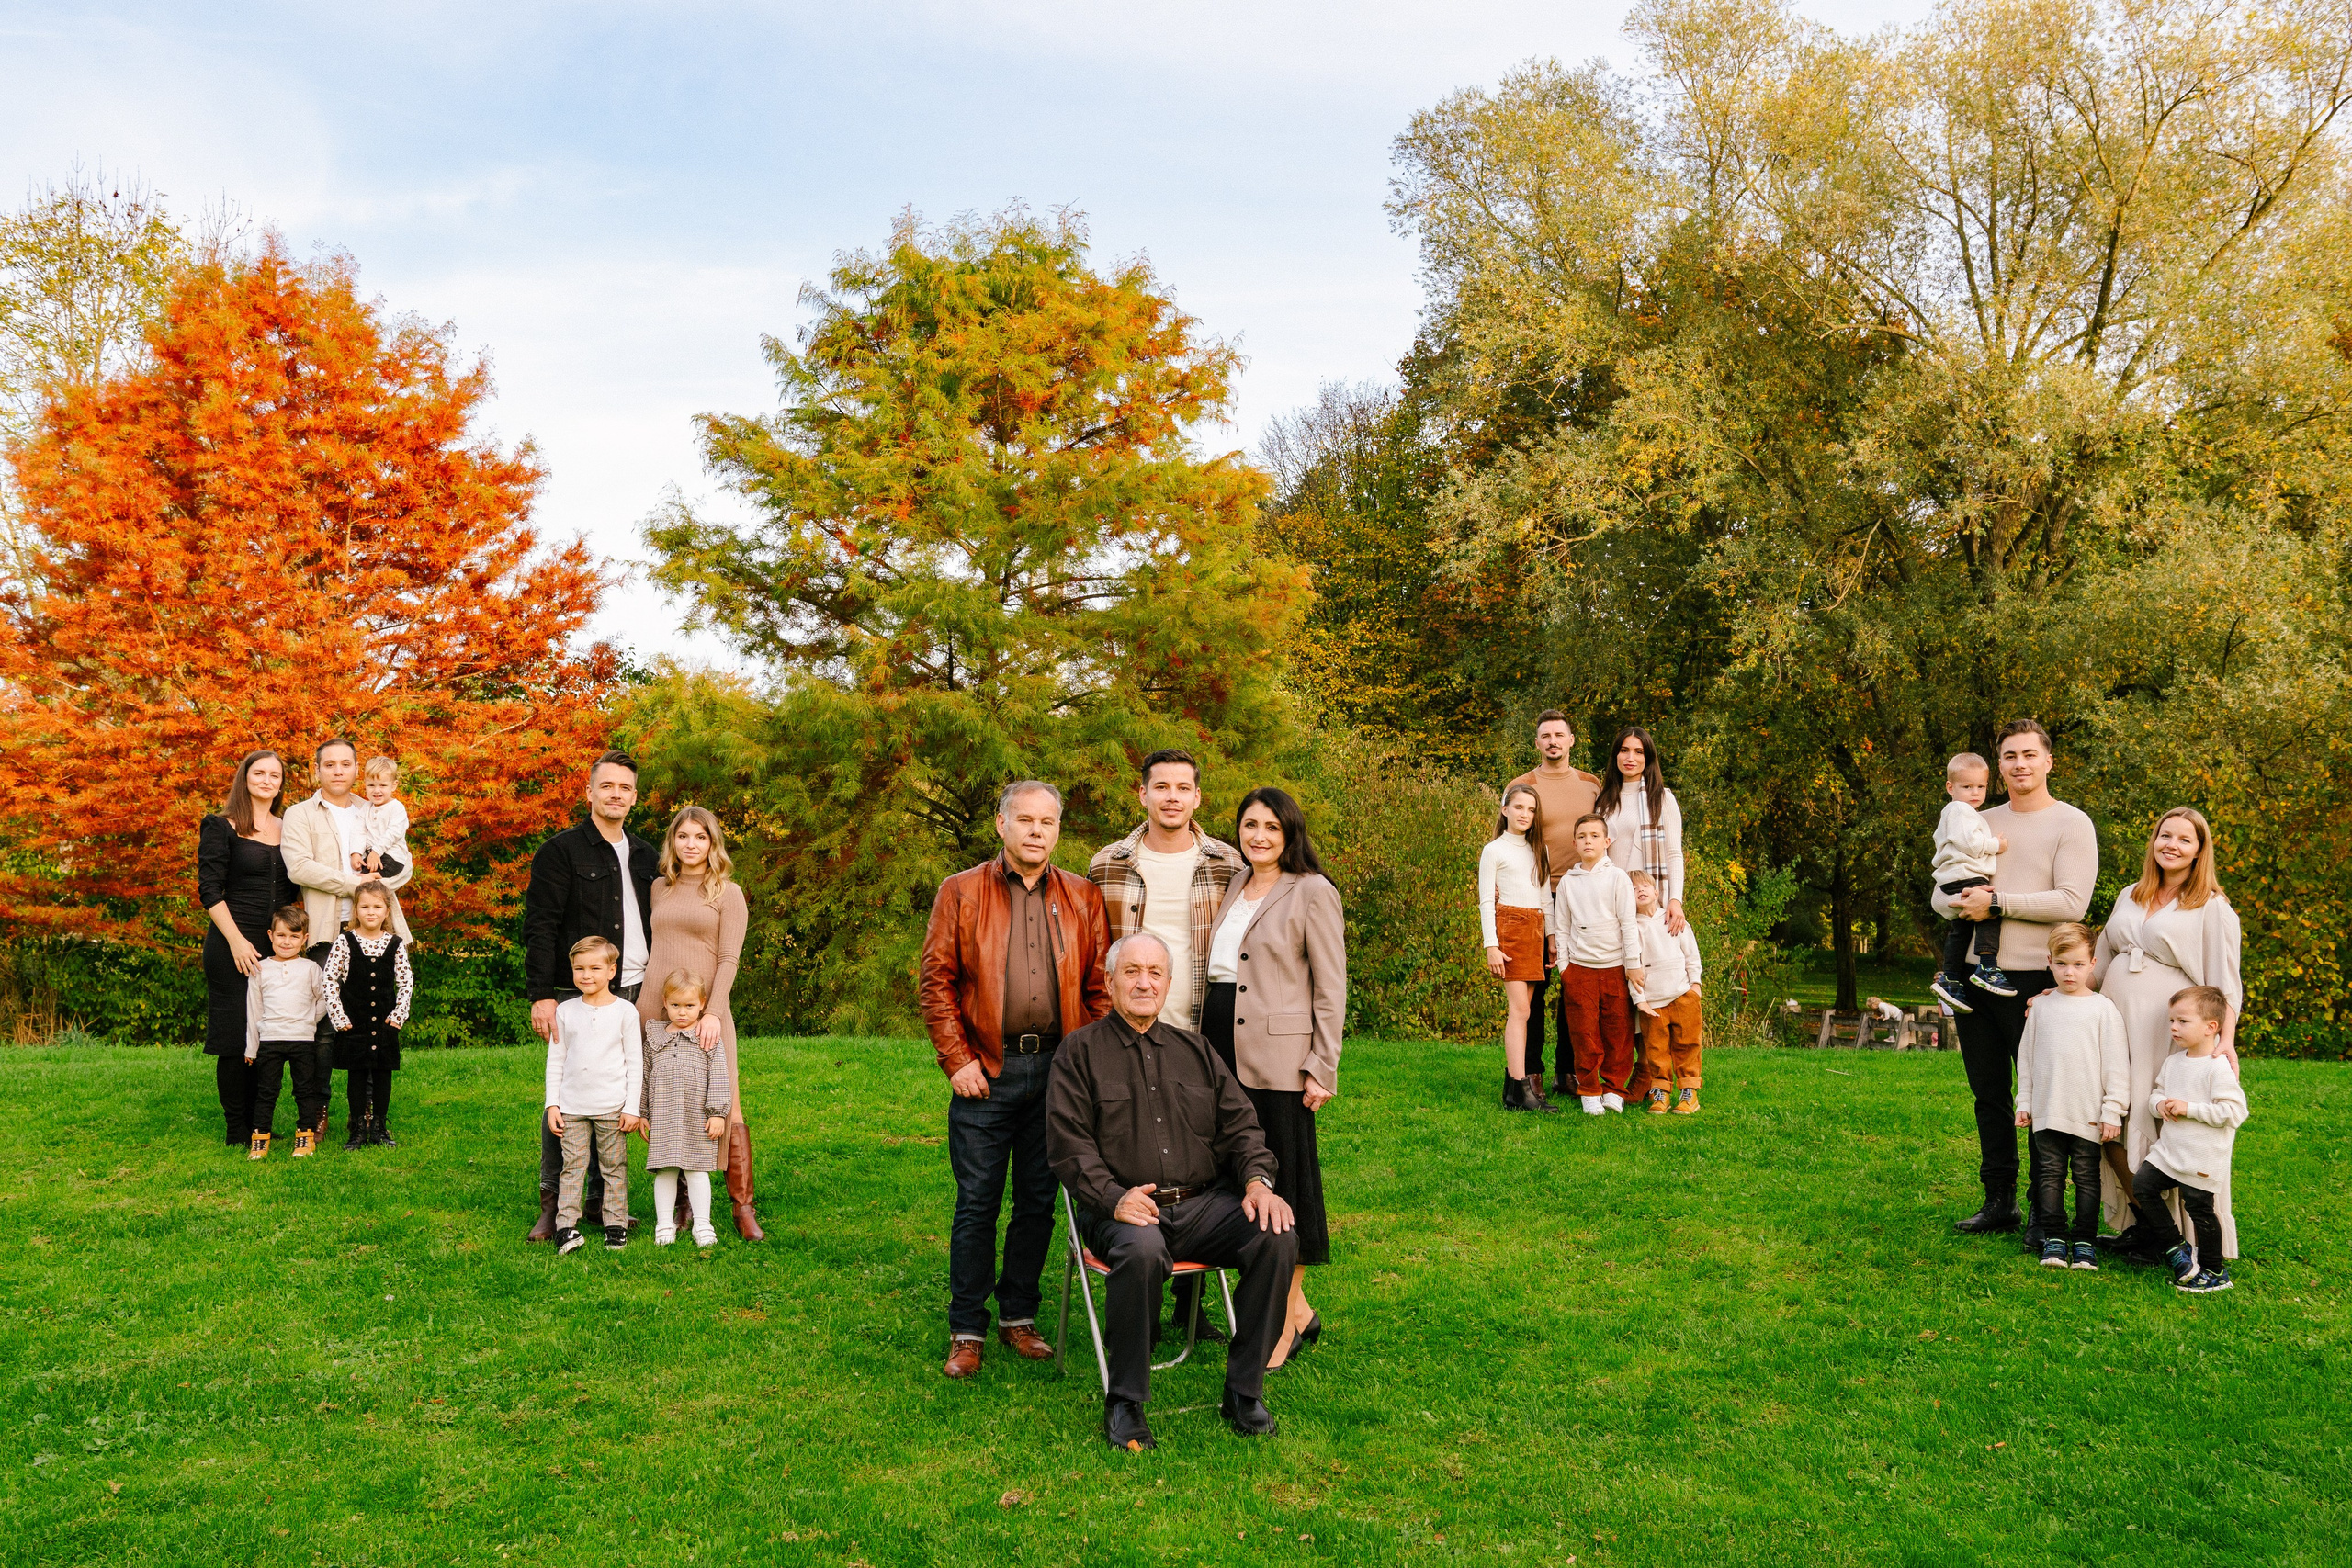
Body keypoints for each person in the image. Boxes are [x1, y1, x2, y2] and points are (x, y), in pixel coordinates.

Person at [1046, 932, 1298, 1451]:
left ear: (1168, 983)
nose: (1144, 983)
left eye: (1155, 973)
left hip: (1204, 1204)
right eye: (1132, 972)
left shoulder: (1196, 1050)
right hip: (1119, 1208)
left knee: (1276, 1236)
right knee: (1140, 1250)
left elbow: (1242, 1128)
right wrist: (1114, 1196)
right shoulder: (1080, 1053)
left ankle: (1243, 1391)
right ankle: (1126, 1402)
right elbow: (1070, 1147)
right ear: (1110, 981)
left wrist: (1257, 1181)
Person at [920, 780, 1112, 1380]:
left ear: (1058, 829)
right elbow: (937, 983)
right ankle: (968, 1327)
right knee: (977, 1203)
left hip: (1058, 1070)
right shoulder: (962, 891)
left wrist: (1087, 1070)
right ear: (1000, 825)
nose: (1035, 830)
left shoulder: (1082, 895)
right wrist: (958, 1060)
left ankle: (1018, 1317)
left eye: (1046, 821)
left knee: (1038, 1201)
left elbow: (1100, 988)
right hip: (987, 1070)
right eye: (1024, 819)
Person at [1934, 720, 2098, 1243]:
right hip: (1978, 981)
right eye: (2009, 756)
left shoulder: (2072, 824)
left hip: (2037, 982)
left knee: (2042, 1097)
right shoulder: (1976, 820)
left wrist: (1998, 902)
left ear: (2049, 762)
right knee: (1989, 1094)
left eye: (2029, 754)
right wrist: (1959, 901)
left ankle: (2040, 1206)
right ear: (1997, 764)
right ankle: (1997, 1199)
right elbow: (1942, 891)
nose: (2019, 764)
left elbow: (2073, 902)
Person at [1204, 786, 1345, 1369]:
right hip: (1220, 1045)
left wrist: (1321, 1065)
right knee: (1239, 1174)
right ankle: (1301, 1309)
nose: (1258, 836)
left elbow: (1330, 986)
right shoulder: (1236, 883)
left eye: (1271, 828)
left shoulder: (1312, 891)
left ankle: (1283, 1321)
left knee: (1285, 1183)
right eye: (1249, 825)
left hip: (1280, 1061)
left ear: (1291, 834)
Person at [2092, 807, 2244, 1258]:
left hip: (2167, 1028)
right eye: (2165, 835)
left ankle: (2178, 1234)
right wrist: (2054, 993)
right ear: (2153, 841)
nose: (2171, 845)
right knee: (2113, 1118)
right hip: (2115, 1019)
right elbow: (2098, 961)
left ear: (2199, 851)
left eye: (2184, 839)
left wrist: (2225, 1041)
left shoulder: (2211, 907)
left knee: (2160, 1120)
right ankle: (2146, 1223)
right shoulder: (2130, 894)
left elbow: (2225, 983)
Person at [522, 750, 659, 1242]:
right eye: (607, 786)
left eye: (625, 787)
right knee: (569, 1089)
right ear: (589, 792)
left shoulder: (647, 855)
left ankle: (604, 1205)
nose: (616, 794)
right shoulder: (560, 852)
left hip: (638, 985)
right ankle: (554, 1204)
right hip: (573, 988)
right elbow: (540, 925)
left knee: (616, 1086)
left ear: (634, 797)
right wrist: (541, 995)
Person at [634, 804, 763, 1241]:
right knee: (669, 1101)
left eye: (700, 837)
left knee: (727, 1101)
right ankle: (683, 1202)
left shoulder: (728, 892)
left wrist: (712, 1012)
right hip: (657, 1006)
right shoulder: (659, 888)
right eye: (683, 836)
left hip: (708, 1011)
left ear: (713, 843)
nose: (691, 845)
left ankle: (742, 1206)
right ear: (673, 841)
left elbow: (729, 958)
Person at [282, 738, 414, 1146]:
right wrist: (354, 884)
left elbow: (405, 866)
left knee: (375, 1018)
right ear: (316, 769)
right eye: (329, 764)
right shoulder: (299, 813)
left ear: (357, 769)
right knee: (325, 1023)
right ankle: (318, 1110)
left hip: (375, 928)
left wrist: (377, 884)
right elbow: (298, 867)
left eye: (346, 764)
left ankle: (370, 1116)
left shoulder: (376, 805)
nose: (338, 771)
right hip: (326, 927)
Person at [1088, 748, 1246, 1032]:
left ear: (1196, 797)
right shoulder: (1107, 865)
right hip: (1124, 1031)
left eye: (1183, 788)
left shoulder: (1228, 864)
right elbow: (1092, 956)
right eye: (1161, 787)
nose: (1172, 797)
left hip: (1202, 1031)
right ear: (1143, 794)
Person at [2011, 924, 2129, 1271]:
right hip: (2048, 1110)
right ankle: (2055, 1238)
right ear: (2050, 962)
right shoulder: (2042, 1007)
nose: (2069, 972)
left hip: (2088, 1112)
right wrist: (2025, 1101)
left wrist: (2113, 1110)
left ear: (2093, 963)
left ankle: (2085, 1242)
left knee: (2086, 1176)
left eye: (2078, 964)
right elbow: (2027, 1060)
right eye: (2062, 964)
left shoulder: (2103, 1010)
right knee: (2048, 1175)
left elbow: (2117, 1066)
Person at [198, 750, 300, 1146]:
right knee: (236, 1036)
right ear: (245, 778)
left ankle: (262, 1122)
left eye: (275, 775)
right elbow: (209, 890)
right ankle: (236, 1128)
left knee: (268, 1032)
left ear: (281, 783)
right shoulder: (221, 826)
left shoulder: (290, 826)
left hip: (279, 946)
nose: (267, 780)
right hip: (231, 945)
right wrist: (237, 941)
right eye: (259, 772)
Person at [1505, 710, 1602, 1096]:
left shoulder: (1591, 785)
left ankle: (1569, 1069)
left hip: (1583, 895)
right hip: (1535, 896)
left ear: (1572, 740)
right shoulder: (1521, 785)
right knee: (1535, 985)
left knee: (1575, 986)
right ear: (1537, 743)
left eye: (1559, 735)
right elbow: (1508, 838)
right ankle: (1530, 1071)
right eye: (1545, 736)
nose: (1553, 742)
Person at [2132, 986, 2246, 1294]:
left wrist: (2189, 1109)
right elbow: (2157, 1091)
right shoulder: (2174, 1062)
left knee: (2200, 1210)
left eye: (2182, 1021)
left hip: (2202, 1155)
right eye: (2171, 1021)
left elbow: (2234, 1111)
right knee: (2143, 1184)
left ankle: (2214, 1271)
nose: (2173, 1028)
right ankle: (2174, 1246)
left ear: (2211, 1027)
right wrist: (2159, 1104)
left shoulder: (2217, 1067)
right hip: (2170, 1152)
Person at [546, 936, 646, 1255]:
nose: (586, 975)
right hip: (572, 1107)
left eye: (594, 968)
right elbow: (556, 1060)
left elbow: (635, 1062)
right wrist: (553, 1104)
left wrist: (632, 1108)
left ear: (612, 970)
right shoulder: (565, 1011)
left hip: (612, 1108)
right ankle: (566, 1228)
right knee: (572, 1166)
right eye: (579, 969)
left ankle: (615, 1226)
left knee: (613, 1167)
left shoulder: (626, 1012)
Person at [1553, 814, 1645, 1114]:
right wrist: (1565, 968)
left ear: (1607, 842)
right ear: (1575, 842)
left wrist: (1632, 964)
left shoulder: (1617, 877)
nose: (1588, 841)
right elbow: (1563, 926)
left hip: (1615, 968)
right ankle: (1589, 1088)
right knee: (1584, 1032)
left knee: (1618, 1032)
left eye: (1594, 836)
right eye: (1582, 836)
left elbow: (1628, 924)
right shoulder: (1569, 882)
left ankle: (1614, 1087)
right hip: (1580, 970)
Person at [640, 969, 731, 1249]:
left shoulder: (708, 1037)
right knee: (665, 1170)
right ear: (665, 1003)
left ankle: (702, 1224)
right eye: (676, 1005)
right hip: (664, 1114)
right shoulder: (654, 1038)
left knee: (697, 1170)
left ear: (702, 1004)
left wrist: (717, 1113)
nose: (682, 1012)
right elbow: (645, 1075)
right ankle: (664, 1223)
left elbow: (719, 1075)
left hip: (696, 1115)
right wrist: (642, 1113)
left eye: (690, 1006)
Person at [1480, 783, 1557, 1112]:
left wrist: (1552, 939)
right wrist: (1491, 945)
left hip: (1536, 931)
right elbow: (1485, 900)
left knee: (1524, 1011)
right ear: (1505, 810)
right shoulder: (1493, 850)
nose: (1525, 814)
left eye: (1531, 809)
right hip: (1509, 928)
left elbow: (1545, 898)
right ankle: (1519, 1085)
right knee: (1520, 1011)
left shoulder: (1540, 849)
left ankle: (1515, 1090)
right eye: (1519, 807)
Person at [324, 880, 413, 1150]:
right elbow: (329, 979)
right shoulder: (345, 941)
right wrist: (339, 1018)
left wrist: (399, 1014)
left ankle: (380, 1128)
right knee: (357, 1076)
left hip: (385, 1024)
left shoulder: (395, 944)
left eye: (377, 906)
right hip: (355, 1024)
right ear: (356, 911)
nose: (370, 912)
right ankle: (358, 1129)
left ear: (387, 911)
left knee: (383, 1076)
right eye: (364, 906)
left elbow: (406, 981)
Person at [242, 905, 328, 1158]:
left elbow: (324, 998)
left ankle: (305, 1136)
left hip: (302, 1039)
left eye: (294, 936)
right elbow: (254, 1009)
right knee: (267, 1090)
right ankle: (260, 1138)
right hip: (270, 1039)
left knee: (304, 1090)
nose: (287, 942)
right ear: (270, 935)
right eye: (281, 935)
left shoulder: (311, 968)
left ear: (305, 939)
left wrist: (308, 1021)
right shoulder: (260, 969)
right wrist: (251, 1047)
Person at [1928, 752, 2010, 1012]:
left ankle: (1950, 978)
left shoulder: (1963, 811)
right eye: (1967, 787)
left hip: (1955, 876)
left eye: (1981, 787)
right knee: (1989, 912)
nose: (1975, 792)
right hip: (1965, 875)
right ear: (1950, 788)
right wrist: (1996, 845)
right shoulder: (1959, 809)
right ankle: (1987, 966)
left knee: (1960, 927)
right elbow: (1970, 844)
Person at [1623, 870, 1704, 1115]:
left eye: (1645, 886)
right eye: (1634, 889)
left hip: (1682, 995)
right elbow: (1631, 967)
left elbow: (1691, 955)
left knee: (1687, 1045)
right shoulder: (1631, 930)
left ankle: (1689, 1093)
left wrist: (1695, 987)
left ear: (1657, 892)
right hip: (1652, 1002)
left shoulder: (1673, 919)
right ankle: (1661, 1093)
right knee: (1656, 1050)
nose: (1641, 891)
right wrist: (1640, 1001)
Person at [1597, 726, 1688, 934]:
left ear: (1648, 758)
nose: (1630, 758)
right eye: (1624, 750)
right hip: (1612, 903)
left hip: (1648, 904)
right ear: (1616, 755)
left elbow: (1674, 855)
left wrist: (1676, 900)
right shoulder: (1604, 802)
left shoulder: (1662, 799)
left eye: (1639, 752)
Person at [357, 756, 413, 885]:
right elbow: (358, 830)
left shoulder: (396, 808)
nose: (377, 790)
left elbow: (393, 833)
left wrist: (376, 851)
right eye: (371, 785)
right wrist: (356, 853)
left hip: (392, 857)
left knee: (365, 881)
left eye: (383, 785)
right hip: (371, 855)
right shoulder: (366, 807)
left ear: (394, 786)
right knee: (360, 881)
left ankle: (375, 878)